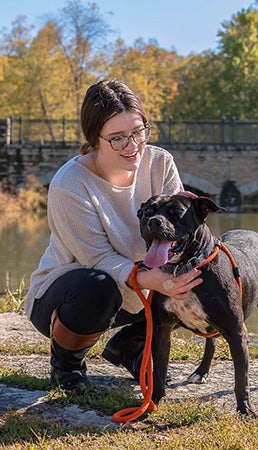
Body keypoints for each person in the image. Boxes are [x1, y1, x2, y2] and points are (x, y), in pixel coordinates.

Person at [24, 79, 203, 393]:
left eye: (137, 131)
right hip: (71, 292)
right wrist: (150, 279)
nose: (132, 146)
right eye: (118, 138)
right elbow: (99, 259)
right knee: (98, 287)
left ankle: (130, 344)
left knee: (194, 273)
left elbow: (176, 234)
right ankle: (66, 365)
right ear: (95, 139)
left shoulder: (160, 162)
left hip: (142, 286)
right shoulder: (70, 184)